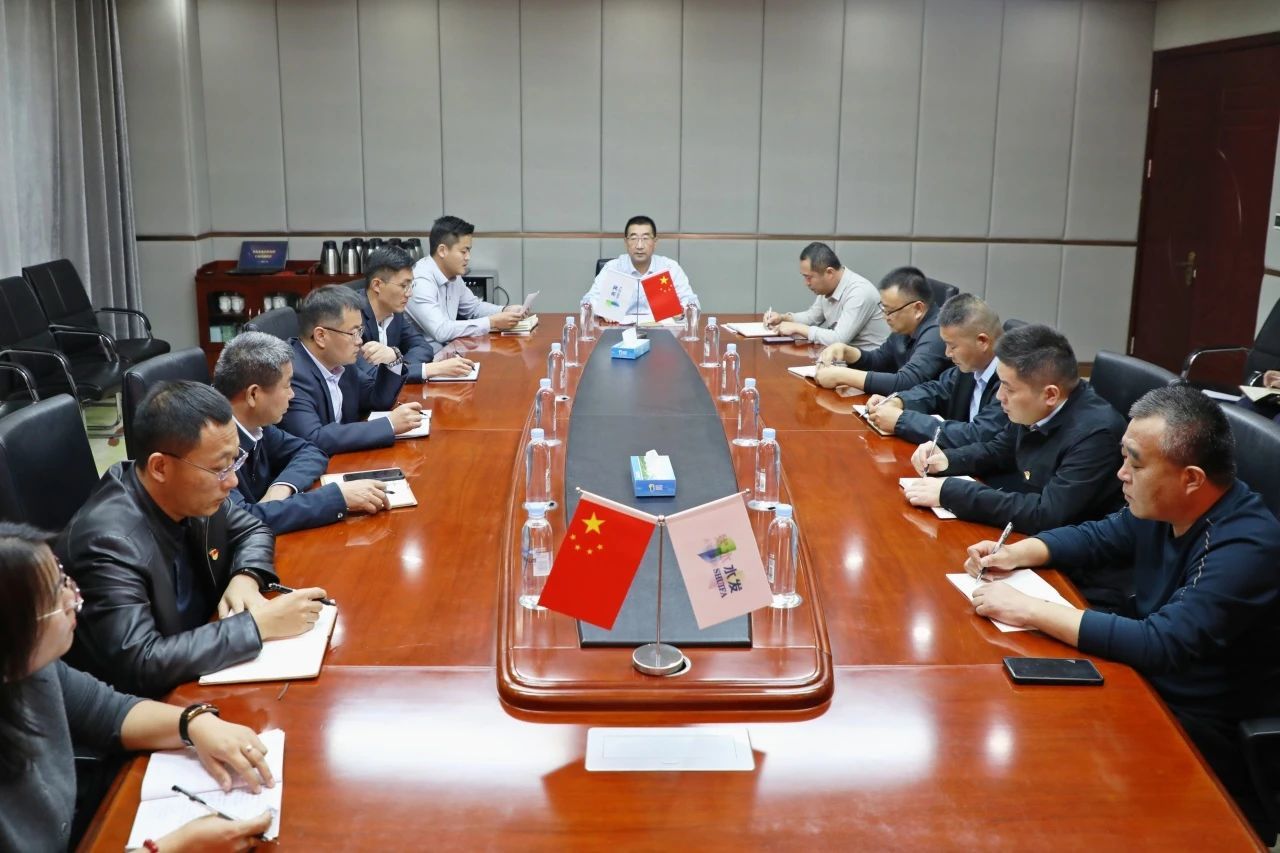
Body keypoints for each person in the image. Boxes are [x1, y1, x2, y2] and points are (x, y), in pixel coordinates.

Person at [963, 384, 1280, 841]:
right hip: (1141, 679)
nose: (1121, 474)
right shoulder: (1168, 504)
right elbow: (1101, 536)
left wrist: (1030, 609)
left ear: (1191, 478)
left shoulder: (1247, 546)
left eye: (1135, 462)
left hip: (1196, 723)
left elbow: (1162, 642)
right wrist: (1016, 553)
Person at [0, 522, 278, 851]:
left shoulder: (35, 668)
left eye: (63, 578)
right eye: (55, 596)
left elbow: (108, 711)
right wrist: (174, 848)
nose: (74, 597)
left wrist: (194, 722)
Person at [58, 381, 327, 698]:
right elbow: (141, 662)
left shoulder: (189, 490)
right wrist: (257, 626)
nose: (232, 480)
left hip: (203, 658)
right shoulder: (106, 543)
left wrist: (246, 576)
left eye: (234, 461)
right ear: (160, 467)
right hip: (153, 704)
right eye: (220, 468)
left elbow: (253, 529)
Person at [903, 324, 1128, 603]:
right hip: (1029, 538)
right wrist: (948, 459)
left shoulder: (1096, 434)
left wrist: (952, 492)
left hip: (1079, 570)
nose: (999, 397)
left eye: (1008, 388)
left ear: (1050, 395)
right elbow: (1000, 449)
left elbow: (1047, 514)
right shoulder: (1035, 407)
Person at [214, 331, 392, 533]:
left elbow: (310, 451)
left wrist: (280, 489)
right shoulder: (211, 445)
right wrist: (337, 498)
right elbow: (242, 521)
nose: (292, 395)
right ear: (254, 395)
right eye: (287, 385)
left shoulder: (256, 424)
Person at [281, 285, 423, 455]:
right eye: (353, 333)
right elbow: (313, 438)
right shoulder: (291, 374)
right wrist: (389, 424)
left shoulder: (340, 362)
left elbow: (377, 399)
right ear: (321, 336)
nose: (359, 341)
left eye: (360, 331)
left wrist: (394, 359)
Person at [864, 293, 1007, 446]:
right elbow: (937, 390)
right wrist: (898, 401)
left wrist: (901, 420)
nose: (947, 353)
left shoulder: (1010, 382)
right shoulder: (973, 365)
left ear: (982, 341)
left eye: (953, 346)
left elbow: (977, 435)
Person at [813, 266, 948, 394]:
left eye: (890, 311)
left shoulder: (938, 333)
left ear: (918, 309)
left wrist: (842, 375)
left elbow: (907, 382)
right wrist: (847, 352)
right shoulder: (906, 326)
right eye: (884, 309)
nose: (885, 317)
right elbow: (880, 360)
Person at [357, 245, 475, 381]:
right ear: (377, 285)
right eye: (403, 286)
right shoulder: (350, 317)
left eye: (411, 285)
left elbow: (423, 348)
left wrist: (397, 359)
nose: (409, 293)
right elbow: (370, 376)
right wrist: (432, 369)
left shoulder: (394, 313)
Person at [405, 215, 526, 347]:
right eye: (463, 251)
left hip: (450, 350)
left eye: (469, 250)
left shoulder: (453, 275)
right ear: (442, 251)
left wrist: (505, 310)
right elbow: (441, 331)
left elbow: (473, 308)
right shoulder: (420, 280)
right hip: (428, 356)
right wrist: (491, 322)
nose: (468, 257)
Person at [762, 242, 888, 348]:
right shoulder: (829, 288)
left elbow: (839, 339)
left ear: (829, 273)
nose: (806, 283)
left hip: (871, 364)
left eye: (809, 277)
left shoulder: (859, 292)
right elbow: (812, 318)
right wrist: (783, 318)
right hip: (845, 359)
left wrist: (797, 328)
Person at [580, 215, 700, 319]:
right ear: (626, 242)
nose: (639, 246)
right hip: (618, 331)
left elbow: (693, 303)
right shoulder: (613, 268)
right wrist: (602, 310)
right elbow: (587, 302)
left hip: (661, 331)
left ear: (655, 242)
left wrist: (681, 310)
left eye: (645, 238)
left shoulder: (669, 268)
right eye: (633, 238)